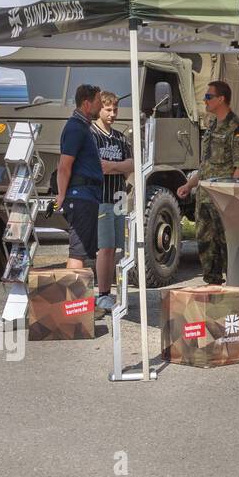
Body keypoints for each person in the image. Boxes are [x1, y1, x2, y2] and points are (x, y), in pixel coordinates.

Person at [176, 81, 239, 285]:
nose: (205, 101)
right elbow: (206, 164)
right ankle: (213, 288)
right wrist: (189, 185)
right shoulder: (211, 126)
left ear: (221, 99)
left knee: (228, 248)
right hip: (205, 198)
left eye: (208, 97)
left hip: (223, 200)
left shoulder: (237, 127)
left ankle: (235, 290)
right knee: (206, 246)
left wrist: (231, 199)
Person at [55, 84, 104, 287]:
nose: (101, 107)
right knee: (78, 251)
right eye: (98, 102)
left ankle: (77, 306)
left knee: (82, 252)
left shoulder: (83, 127)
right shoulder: (75, 127)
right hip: (80, 196)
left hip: (88, 196)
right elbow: (64, 166)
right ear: (86, 103)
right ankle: (71, 305)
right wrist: (61, 196)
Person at [91, 91, 134, 312]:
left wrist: (114, 167)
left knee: (117, 247)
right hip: (101, 198)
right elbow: (98, 167)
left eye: (115, 109)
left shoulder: (119, 137)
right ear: (99, 109)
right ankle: (103, 293)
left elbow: (131, 164)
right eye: (108, 109)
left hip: (119, 196)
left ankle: (111, 291)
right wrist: (117, 167)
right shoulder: (92, 134)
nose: (112, 114)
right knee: (105, 247)